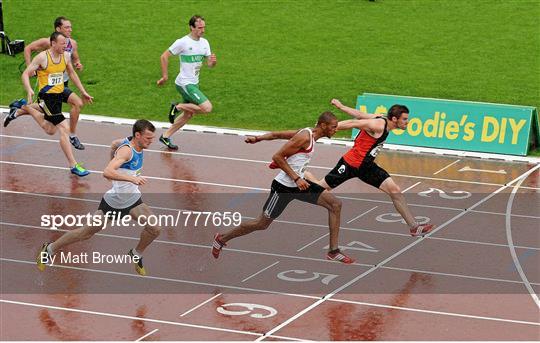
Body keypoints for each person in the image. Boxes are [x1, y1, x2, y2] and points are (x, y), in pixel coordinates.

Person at [212, 112, 355, 264]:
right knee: (261, 224)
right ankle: (222, 238)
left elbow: (277, 134)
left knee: (335, 204)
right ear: (323, 125)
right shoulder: (304, 137)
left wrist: (257, 138)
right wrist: (296, 178)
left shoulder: (308, 135)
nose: (336, 130)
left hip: (300, 185)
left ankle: (333, 251)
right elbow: (277, 157)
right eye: (333, 127)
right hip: (283, 187)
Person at [36, 119, 161, 276]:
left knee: (154, 228)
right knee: (86, 233)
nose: (151, 141)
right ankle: (49, 249)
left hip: (133, 200)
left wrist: (113, 159)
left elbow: (114, 144)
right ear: (137, 135)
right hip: (113, 203)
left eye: (152, 138)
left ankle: (136, 254)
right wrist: (132, 179)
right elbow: (107, 172)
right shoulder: (127, 151)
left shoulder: (129, 142)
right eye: (148, 138)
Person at [306, 99, 435, 237]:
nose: (407, 122)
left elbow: (360, 114)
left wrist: (342, 106)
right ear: (394, 118)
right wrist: (326, 129)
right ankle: (304, 175)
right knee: (320, 189)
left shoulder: (380, 119)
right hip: (350, 164)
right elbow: (354, 123)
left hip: (367, 167)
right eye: (404, 119)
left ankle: (414, 227)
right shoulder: (378, 125)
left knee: (395, 190)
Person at [4, 32, 93, 177]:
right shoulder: (42, 58)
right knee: (63, 128)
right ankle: (73, 165)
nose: (66, 45)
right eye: (62, 43)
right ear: (53, 43)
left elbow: (72, 74)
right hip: (47, 97)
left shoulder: (65, 56)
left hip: (60, 92)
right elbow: (25, 74)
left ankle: (24, 107)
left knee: (51, 130)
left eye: (66, 43)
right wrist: (29, 90)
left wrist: (83, 91)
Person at [22, 16, 86, 149]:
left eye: (71, 27)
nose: (70, 30)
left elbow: (75, 58)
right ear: (58, 29)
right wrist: (31, 68)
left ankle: (72, 135)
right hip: (49, 88)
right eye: (67, 27)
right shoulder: (48, 42)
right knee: (53, 125)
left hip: (63, 84)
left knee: (75, 104)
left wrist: (78, 63)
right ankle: (22, 108)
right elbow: (28, 48)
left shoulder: (72, 44)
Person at [156, 15, 217, 150]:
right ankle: (177, 106)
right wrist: (165, 76)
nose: (203, 30)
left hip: (194, 83)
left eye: (204, 27)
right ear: (191, 27)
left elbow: (209, 65)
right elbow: (164, 56)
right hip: (184, 83)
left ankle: (165, 136)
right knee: (207, 108)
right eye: (200, 28)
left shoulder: (205, 43)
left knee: (189, 114)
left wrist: (213, 62)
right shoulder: (182, 42)